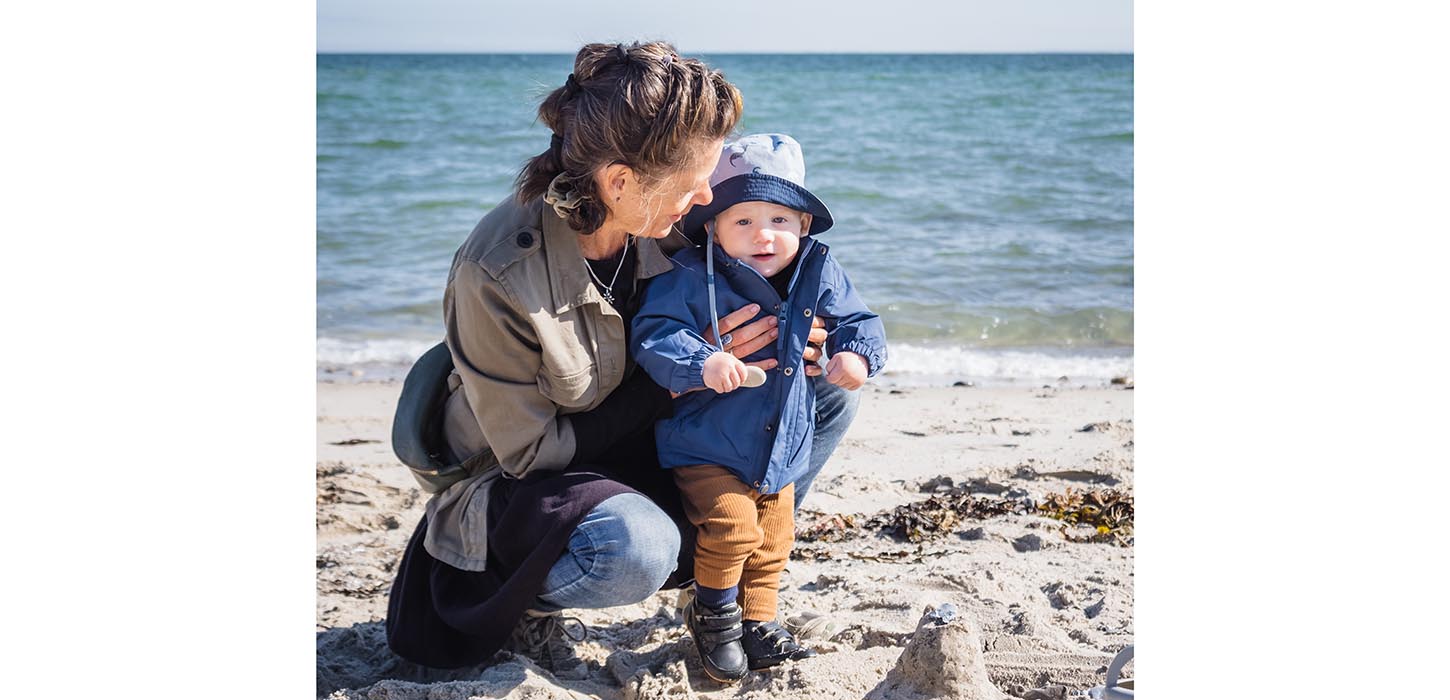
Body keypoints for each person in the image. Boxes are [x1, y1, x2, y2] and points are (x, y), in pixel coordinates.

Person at [383, 42, 862, 680]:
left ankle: (721, 584)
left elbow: (780, 284)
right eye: (693, 183)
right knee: (633, 549)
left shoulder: (667, 219)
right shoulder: (497, 272)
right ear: (618, 181)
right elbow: (530, 454)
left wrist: (797, 338)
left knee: (822, 394)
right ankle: (530, 606)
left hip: (640, 438)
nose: (705, 198)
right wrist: (683, 375)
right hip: (524, 480)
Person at [631, 134, 887, 681]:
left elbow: (859, 321)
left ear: (804, 225)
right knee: (732, 527)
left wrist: (855, 356)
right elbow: (654, 332)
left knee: (773, 539)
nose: (762, 234)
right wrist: (701, 361)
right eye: (742, 220)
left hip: (780, 442)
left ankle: (758, 621)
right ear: (713, 228)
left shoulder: (819, 271)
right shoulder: (690, 275)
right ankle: (715, 618)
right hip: (707, 441)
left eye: (779, 220)